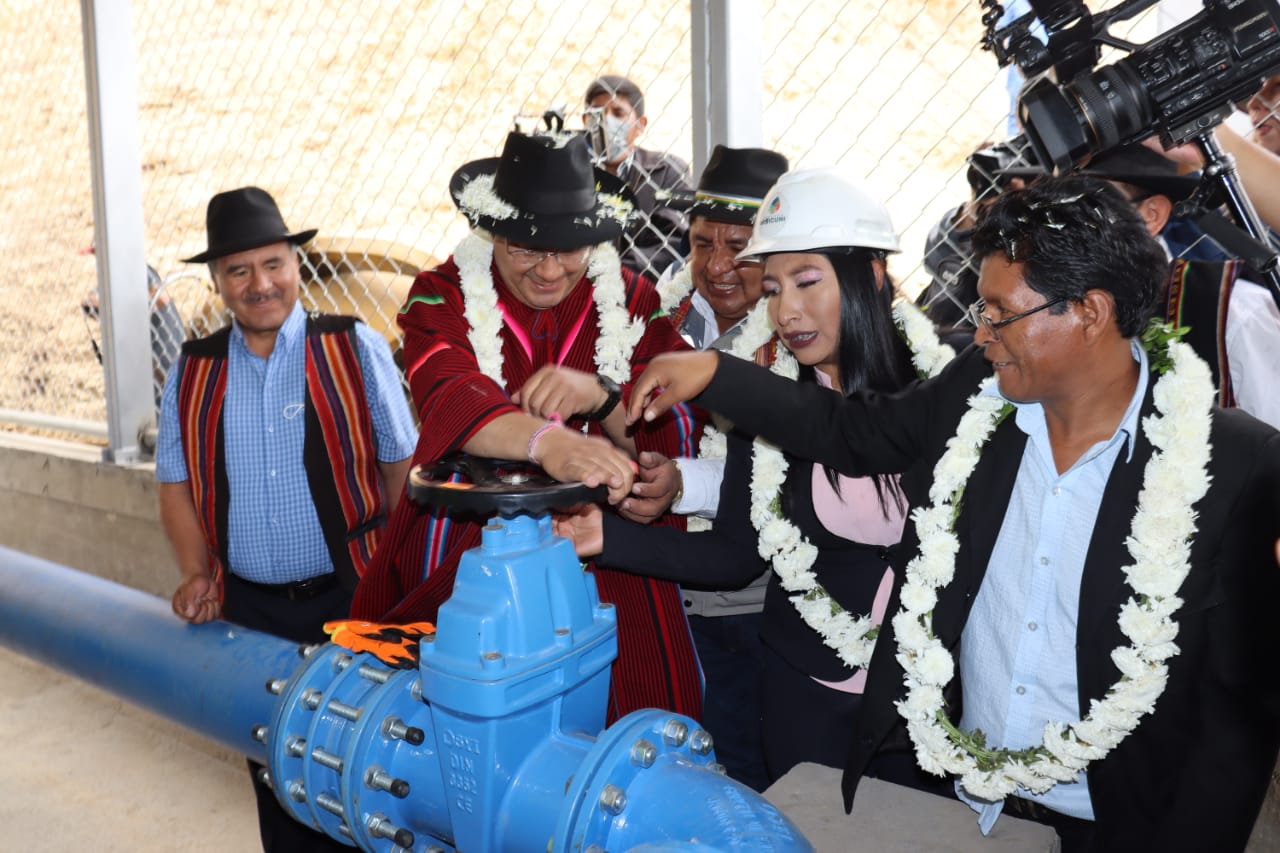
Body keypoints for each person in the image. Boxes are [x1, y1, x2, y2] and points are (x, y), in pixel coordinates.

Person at [627, 175, 1280, 851]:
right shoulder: (980, 394)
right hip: (965, 800)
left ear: (1089, 312)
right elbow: (854, 431)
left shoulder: (1230, 467)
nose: (982, 333)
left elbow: (1238, 717)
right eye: (980, 308)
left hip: (1121, 820)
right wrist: (715, 373)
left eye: (1001, 313)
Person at [557, 167, 939, 789]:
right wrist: (602, 537)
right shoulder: (765, 401)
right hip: (807, 696)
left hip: (924, 696)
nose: (787, 311)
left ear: (871, 275)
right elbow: (735, 555)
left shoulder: (939, 389)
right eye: (774, 289)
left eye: (807, 282)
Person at [350, 131, 704, 722]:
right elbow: (448, 393)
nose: (549, 270)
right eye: (525, 248)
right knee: (444, 717)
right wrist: (548, 442)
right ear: (490, 230)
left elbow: (670, 432)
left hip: (607, 554)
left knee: (638, 721)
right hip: (468, 549)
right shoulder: (442, 297)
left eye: (570, 249)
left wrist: (601, 398)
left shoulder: (631, 300)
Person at [155, 186, 417, 853]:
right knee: (276, 771)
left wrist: (401, 578)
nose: (260, 283)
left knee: (365, 772)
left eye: (273, 263)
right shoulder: (193, 370)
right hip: (248, 612)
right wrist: (195, 572)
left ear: (297, 264)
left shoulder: (353, 347)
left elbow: (401, 470)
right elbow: (175, 485)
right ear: (218, 282)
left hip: (352, 601)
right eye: (238, 270)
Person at [1082, 142, 1280, 429]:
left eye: (1094, 206)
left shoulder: (1234, 311)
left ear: (1152, 214)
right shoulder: (1054, 305)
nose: (1074, 223)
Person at [584, 74, 692, 280]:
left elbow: (671, 242)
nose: (606, 122)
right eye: (597, 113)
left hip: (640, 288)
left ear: (640, 125)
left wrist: (607, 278)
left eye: (618, 113)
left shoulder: (667, 171)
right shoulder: (571, 173)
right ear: (585, 121)